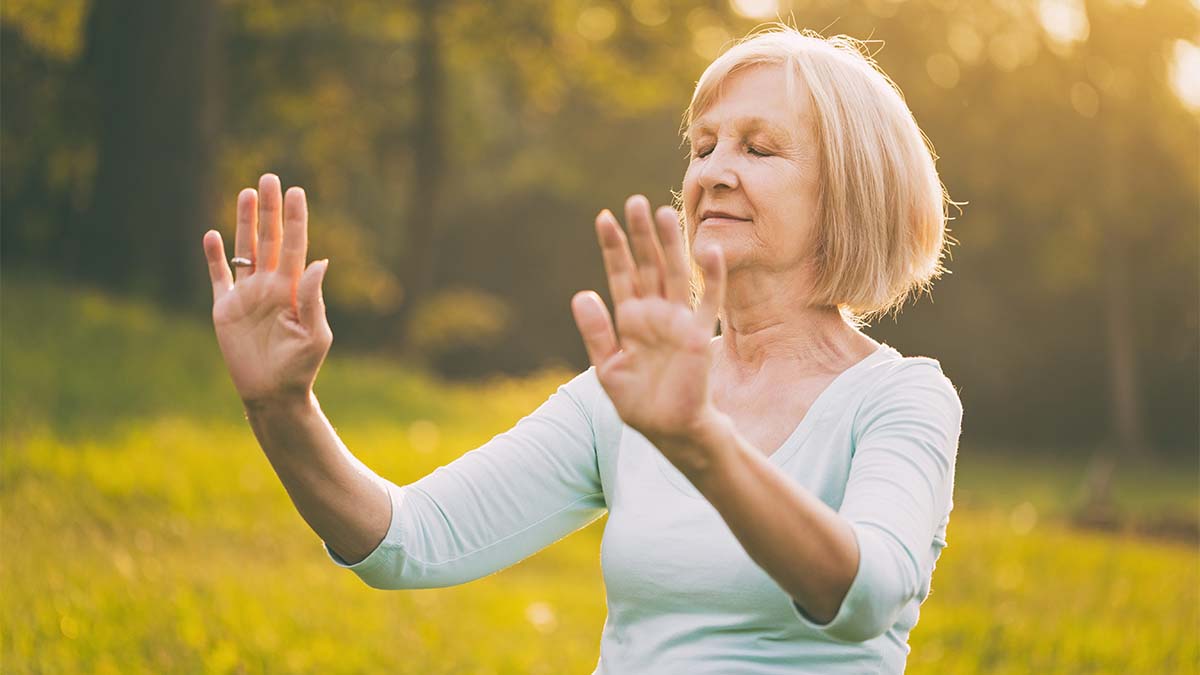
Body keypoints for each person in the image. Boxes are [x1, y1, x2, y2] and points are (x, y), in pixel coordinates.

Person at [201, 26, 962, 675]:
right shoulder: (629, 394)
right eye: (703, 146)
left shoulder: (900, 398)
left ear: (852, 192)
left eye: (759, 148)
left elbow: (864, 594)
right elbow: (411, 539)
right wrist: (281, 407)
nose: (713, 170)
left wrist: (699, 443)